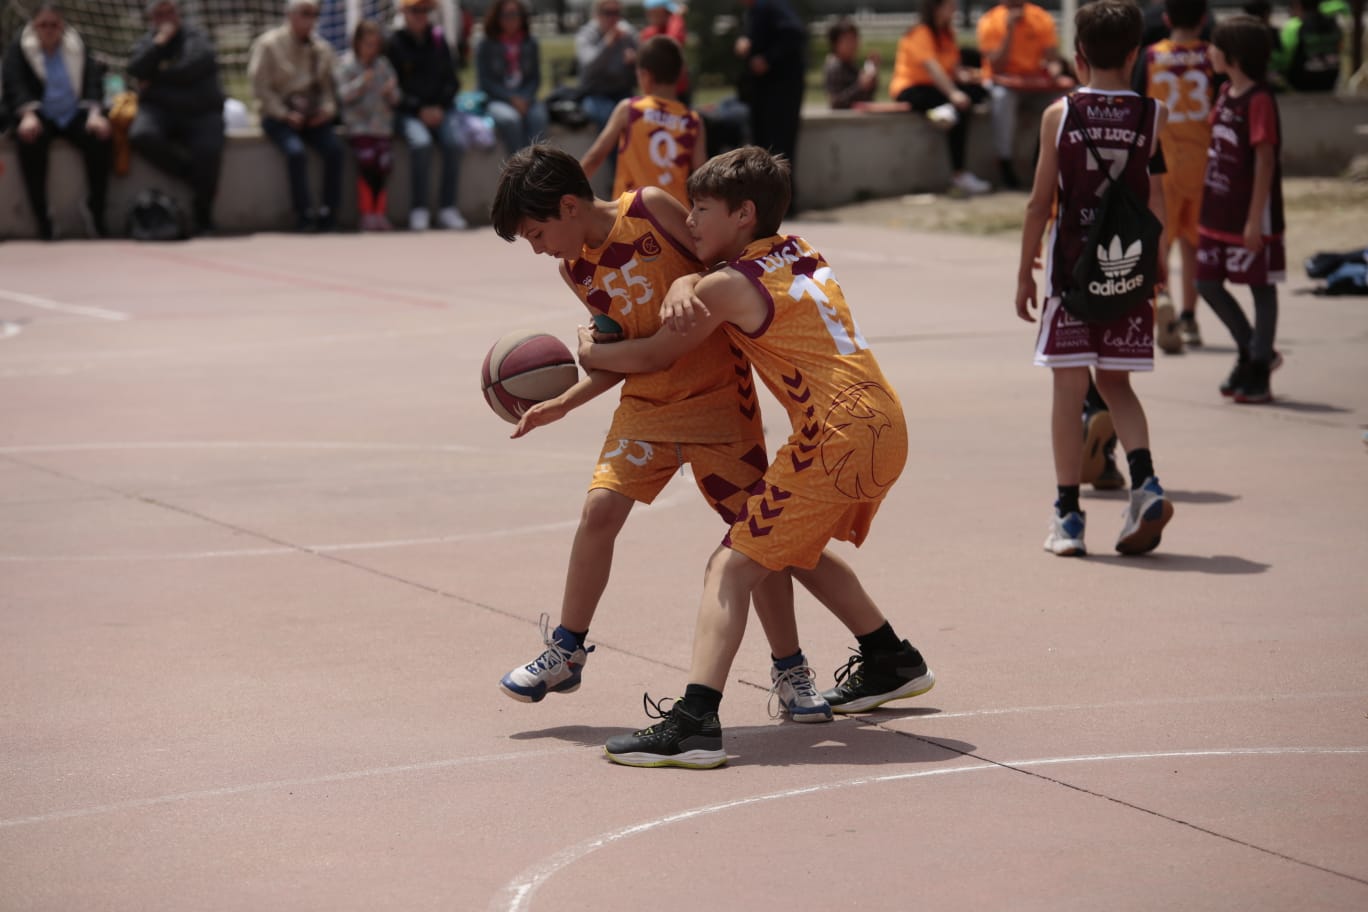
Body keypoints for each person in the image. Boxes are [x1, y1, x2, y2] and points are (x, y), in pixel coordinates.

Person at [577, 146, 934, 768]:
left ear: (743, 214)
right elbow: (712, 277)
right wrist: (686, 278)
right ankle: (889, 658)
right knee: (789, 550)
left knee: (729, 569)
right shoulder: (796, 248)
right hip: (882, 417)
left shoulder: (726, 286)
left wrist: (590, 351)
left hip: (835, 432)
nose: (690, 221)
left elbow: (658, 354)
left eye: (702, 209)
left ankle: (694, 722)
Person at [489, 144, 835, 728]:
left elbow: (724, 262)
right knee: (599, 511)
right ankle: (567, 650)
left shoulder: (649, 208)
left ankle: (791, 668)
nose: (538, 248)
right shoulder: (576, 270)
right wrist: (565, 403)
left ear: (569, 206)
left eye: (536, 234)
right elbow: (617, 354)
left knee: (755, 542)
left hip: (720, 405)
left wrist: (689, 282)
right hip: (647, 406)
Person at [1014, 0, 1175, 558]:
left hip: (1072, 272)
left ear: (1078, 54)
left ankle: (1068, 516)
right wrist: (1160, 261)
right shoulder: (1152, 115)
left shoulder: (1059, 115)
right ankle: (1146, 483)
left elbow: (1040, 203)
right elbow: (1155, 196)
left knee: (1069, 389)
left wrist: (1024, 272)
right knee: (1117, 385)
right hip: (1128, 269)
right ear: (1135, 54)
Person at [1196, 15, 1286, 404]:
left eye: (1215, 45)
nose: (1209, 51)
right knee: (1206, 283)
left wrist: (1254, 220)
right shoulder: (1224, 92)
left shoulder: (1259, 99)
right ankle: (1252, 349)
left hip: (1251, 213)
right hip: (1217, 208)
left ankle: (1259, 367)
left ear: (1233, 54)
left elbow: (1265, 160)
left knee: (1260, 286)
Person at [1134, 0, 1214, 353]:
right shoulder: (1212, 56)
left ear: (1165, 18)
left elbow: (1137, 101)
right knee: (1193, 243)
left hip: (1161, 159)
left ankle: (1161, 295)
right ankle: (1190, 316)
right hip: (1201, 160)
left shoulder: (1152, 56)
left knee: (1159, 239)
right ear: (1204, 19)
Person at [2, 1, 112, 240]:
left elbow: (93, 80)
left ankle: (95, 210)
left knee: (101, 138)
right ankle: (43, 218)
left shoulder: (76, 45)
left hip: (74, 113)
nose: (49, 30)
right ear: (34, 26)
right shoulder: (20, 48)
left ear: (62, 26)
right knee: (30, 141)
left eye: (54, 25)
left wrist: (95, 114)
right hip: (38, 114)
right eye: (43, 25)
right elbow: (14, 84)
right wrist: (27, 115)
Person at [126, 0, 226, 236]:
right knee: (141, 134)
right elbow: (135, 69)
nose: (167, 18)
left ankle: (204, 217)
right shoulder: (148, 42)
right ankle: (190, 175)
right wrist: (159, 43)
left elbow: (191, 67)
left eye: (170, 11)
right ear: (152, 18)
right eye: (160, 13)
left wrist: (154, 79)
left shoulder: (196, 37)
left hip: (200, 111)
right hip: (161, 111)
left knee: (208, 150)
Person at [248, 0, 343, 232]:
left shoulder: (321, 49)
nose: (310, 20)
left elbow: (329, 90)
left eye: (314, 14)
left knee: (335, 151)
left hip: (312, 118)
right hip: (278, 116)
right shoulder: (269, 44)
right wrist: (285, 114)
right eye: (305, 13)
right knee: (296, 153)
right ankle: (304, 214)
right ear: (290, 15)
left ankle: (329, 212)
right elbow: (260, 88)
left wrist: (326, 111)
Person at [579, 35, 704, 208]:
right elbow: (702, 177)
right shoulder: (693, 120)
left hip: (632, 215)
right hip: (676, 215)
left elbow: (594, 158)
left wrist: (565, 192)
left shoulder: (630, 110)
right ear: (681, 75)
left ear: (645, 76)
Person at [889, 0, 993, 195]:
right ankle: (959, 174)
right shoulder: (920, 32)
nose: (954, 10)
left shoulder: (947, 33)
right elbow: (932, 68)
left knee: (977, 93)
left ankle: (941, 111)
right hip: (911, 88)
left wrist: (968, 77)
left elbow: (953, 67)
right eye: (950, 6)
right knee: (959, 105)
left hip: (937, 88)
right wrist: (953, 94)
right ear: (936, 8)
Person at [386, 0, 468, 231]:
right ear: (404, 12)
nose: (420, 15)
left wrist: (439, 107)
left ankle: (448, 208)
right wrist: (419, 109)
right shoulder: (394, 43)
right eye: (415, 10)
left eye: (425, 10)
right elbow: (393, 88)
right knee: (421, 143)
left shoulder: (439, 40)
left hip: (440, 110)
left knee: (454, 143)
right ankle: (419, 208)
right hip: (408, 113)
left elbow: (452, 82)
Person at [977, 0, 1071, 189]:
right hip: (1004, 85)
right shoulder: (990, 20)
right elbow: (997, 66)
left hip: (1035, 85)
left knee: (1069, 99)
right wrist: (1009, 30)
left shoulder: (1040, 17)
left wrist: (1054, 71)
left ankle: (1053, 159)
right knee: (1002, 98)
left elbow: (1052, 58)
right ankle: (1004, 161)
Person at [735, 0, 806, 207]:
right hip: (764, 94)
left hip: (780, 93)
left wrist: (768, 59)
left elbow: (794, 34)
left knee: (779, 148)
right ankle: (767, 203)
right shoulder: (754, 11)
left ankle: (784, 203)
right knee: (763, 148)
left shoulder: (771, 5)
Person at [337, 19, 399, 231]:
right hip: (360, 127)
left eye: (376, 44)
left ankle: (379, 212)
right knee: (367, 165)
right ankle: (366, 212)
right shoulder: (347, 64)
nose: (372, 49)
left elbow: (396, 97)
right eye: (368, 44)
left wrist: (391, 92)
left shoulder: (383, 65)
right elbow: (343, 95)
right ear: (357, 43)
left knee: (383, 167)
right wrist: (362, 82)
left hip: (381, 127)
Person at [476, 0, 549, 155]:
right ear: (497, 17)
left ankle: (537, 164)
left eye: (515, 14)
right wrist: (511, 99)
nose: (511, 19)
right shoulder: (486, 44)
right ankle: (517, 165)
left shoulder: (530, 43)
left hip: (526, 98)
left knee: (539, 117)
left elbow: (535, 79)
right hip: (497, 99)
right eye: (506, 15)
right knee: (511, 120)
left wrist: (525, 98)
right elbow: (485, 82)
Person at [575, 0, 638, 131]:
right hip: (595, 93)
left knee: (638, 115)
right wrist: (606, 45)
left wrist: (635, 60)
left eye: (616, 13)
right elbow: (589, 66)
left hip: (622, 91)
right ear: (597, 15)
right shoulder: (587, 34)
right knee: (608, 117)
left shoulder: (627, 34)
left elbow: (641, 70)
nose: (613, 17)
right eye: (608, 13)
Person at [1275, 0, 1344, 92]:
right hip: (1330, 79)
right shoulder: (1333, 23)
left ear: (1298, 4)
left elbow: (1286, 59)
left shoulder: (1295, 25)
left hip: (1303, 82)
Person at [640, 0, 690, 105]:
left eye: (668, 13)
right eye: (666, 12)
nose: (668, 16)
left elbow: (675, 42)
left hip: (678, 91)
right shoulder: (649, 33)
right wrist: (677, 17)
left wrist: (676, 18)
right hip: (657, 94)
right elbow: (669, 46)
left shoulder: (671, 26)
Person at [824, 17, 878, 110]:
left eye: (855, 39)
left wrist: (871, 72)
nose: (853, 44)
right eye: (848, 40)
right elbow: (836, 102)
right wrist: (860, 86)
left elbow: (867, 98)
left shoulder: (851, 65)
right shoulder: (835, 67)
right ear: (835, 43)